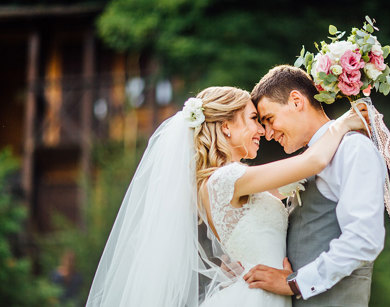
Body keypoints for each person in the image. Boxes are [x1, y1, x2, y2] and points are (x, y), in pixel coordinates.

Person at [86, 86, 369, 307]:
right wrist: (342, 124)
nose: (262, 130)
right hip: (258, 298)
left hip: (265, 292)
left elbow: (292, 186)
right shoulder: (226, 179)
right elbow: (311, 163)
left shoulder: (224, 182)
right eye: (254, 120)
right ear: (226, 126)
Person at [243, 65, 386, 307]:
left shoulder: (351, 149)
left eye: (269, 119)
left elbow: (364, 238)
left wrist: (295, 283)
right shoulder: (306, 162)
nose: (267, 133)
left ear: (296, 101)